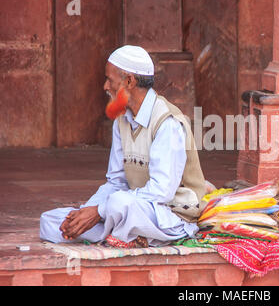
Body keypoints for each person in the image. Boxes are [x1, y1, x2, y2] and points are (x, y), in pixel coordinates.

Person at [40, 45, 208, 247]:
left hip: (170, 215)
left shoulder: (167, 122)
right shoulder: (121, 120)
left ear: (129, 81)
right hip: (127, 210)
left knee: (119, 203)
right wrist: (88, 210)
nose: (105, 86)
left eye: (110, 80)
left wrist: (100, 211)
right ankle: (126, 236)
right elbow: (116, 181)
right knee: (52, 221)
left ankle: (129, 233)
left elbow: (160, 192)